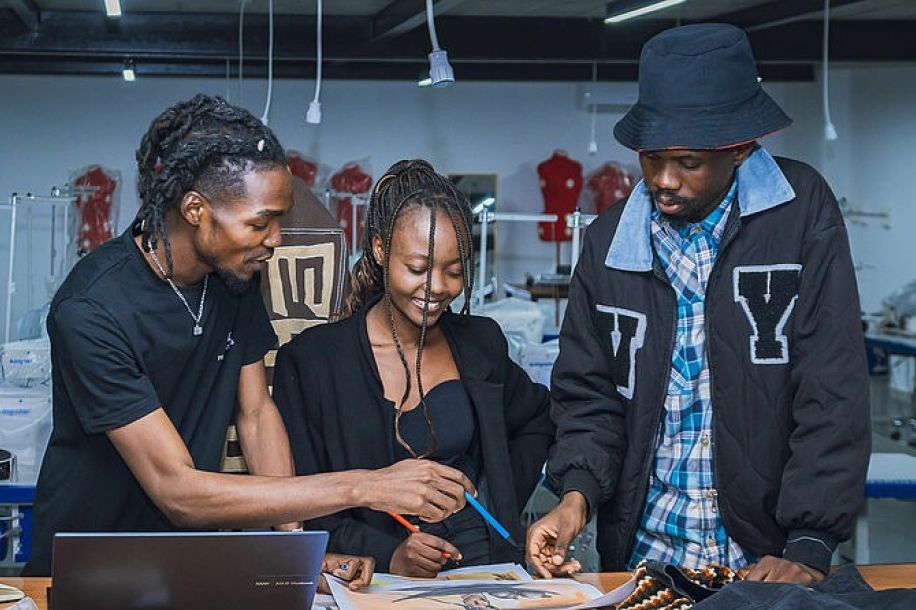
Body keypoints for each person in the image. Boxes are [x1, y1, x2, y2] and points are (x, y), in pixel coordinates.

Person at [25, 96, 474, 578]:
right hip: (88, 567)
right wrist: (365, 486)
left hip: (186, 562)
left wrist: (299, 549)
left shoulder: (232, 277)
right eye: (260, 222)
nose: (276, 238)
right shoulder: (92, 308)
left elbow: (257, 415)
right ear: (196, 209)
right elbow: (177, 491)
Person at [526, 23, 869, 585]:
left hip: (766, 559)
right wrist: (576, 498)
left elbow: (832, 384)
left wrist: (809, 541)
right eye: (651, 157)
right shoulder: (610, 241)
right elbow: (588, 392)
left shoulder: (800, 213)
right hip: (641, 557)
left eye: (687, 162)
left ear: (738, 149)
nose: (663, 179)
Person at [273, 160, 554, 577]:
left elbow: (537, 419)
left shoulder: (481, 343)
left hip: (481, 573)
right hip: (374, 581)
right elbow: (303, 504)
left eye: (455, 271)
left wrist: (497, 501)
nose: (437, 287)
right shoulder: (314, 362)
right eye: (418, 269)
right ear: (381, 251)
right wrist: (392, 554)